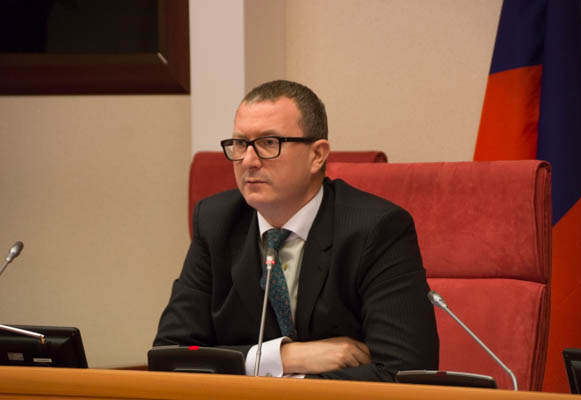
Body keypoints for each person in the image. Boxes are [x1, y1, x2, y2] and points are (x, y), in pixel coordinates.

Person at [153, 80, 439, 381]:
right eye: (239, 144)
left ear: (317, 155)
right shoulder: (217, 222)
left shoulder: (376, 229)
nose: (248, 161)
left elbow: (404, 372)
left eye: (268, 143)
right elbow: (171, 357)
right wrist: (282, 357)